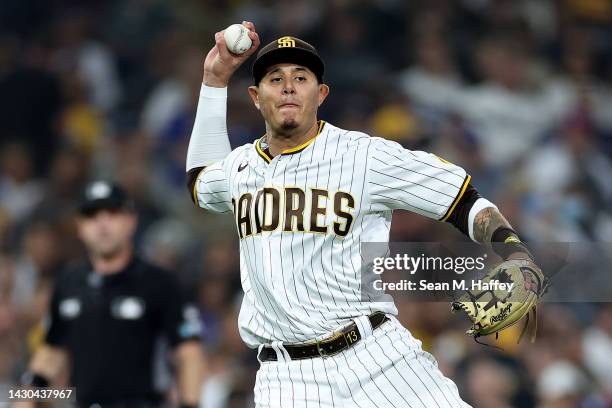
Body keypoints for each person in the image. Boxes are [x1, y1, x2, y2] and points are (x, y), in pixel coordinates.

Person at [186, 22, 541, 407]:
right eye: (275, 78)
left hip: (376, 357)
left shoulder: (364, 155)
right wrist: (215, 78)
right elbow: (200, 182)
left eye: (300, 77)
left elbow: (460, 199)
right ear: (256, 97)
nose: (288, 86)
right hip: (287, 377)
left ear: (320, 93)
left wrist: (515, 252)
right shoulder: (240, 168)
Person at [20, 181, 206, 408]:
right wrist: (26, 398)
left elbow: (189, 353)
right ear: (79, 226)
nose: (102, 224)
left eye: (112, 213)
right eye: (92, 215)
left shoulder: (160, 282)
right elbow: (52, 349)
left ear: (131, 221)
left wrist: (190, 404)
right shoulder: (69, 282)